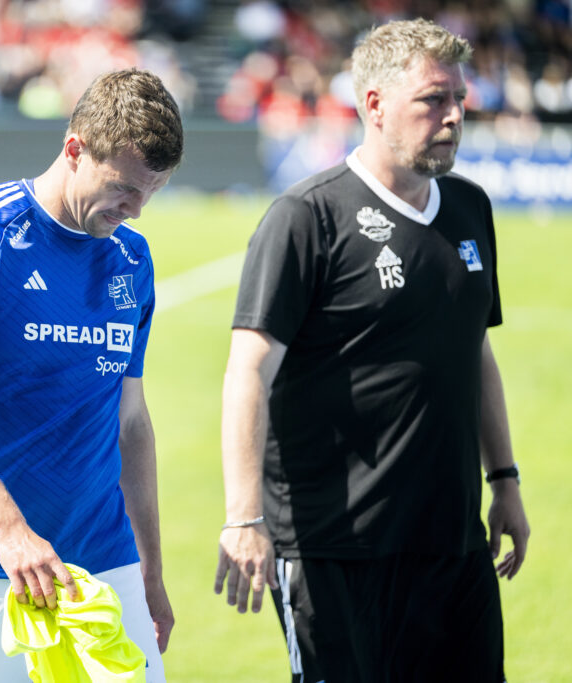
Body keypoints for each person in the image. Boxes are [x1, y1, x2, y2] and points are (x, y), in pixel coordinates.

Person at [214, 18, 530, 682]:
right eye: (432, 100)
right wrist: (243, 515)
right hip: (334, 545)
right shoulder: (307, 216)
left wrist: (504, 479)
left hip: (451, 540)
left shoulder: (469, 207)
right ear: (375, 104)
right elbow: (248, 369)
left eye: (458, 100)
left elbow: (475, 353)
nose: (452, 117)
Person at [0, 67, 183, 683]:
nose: (136, 210)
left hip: (102, 563)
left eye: (151, 192)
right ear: (75, 148)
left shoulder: (132, 257)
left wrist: (148, 573)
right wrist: (11, 530)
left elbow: (130, 422)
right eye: (125, 188)